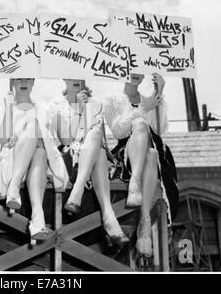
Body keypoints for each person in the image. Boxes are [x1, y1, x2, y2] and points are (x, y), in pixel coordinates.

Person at [103, 73, 179, 258]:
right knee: (139, 124)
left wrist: (159, 94)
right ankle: (143, 226)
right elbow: (119, 131)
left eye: (139, 68)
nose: (136, 73)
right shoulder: (112, 99)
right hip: (127, 152)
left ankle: (144, 221)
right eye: (131, 67)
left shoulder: (150, 99)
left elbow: (160, 130)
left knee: (152, 153)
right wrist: (142, 109)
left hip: (153, 153)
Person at [49, 79, 129, 246]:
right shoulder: (56, 105)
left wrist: (86, 107)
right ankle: (109, 217)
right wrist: (79, 109)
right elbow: (66, 139)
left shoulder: (96, 103)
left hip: (93, 159)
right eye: (71, 76)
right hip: (69, 158)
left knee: (97, 142)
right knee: (96, 145)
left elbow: (100, 138)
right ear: (64, 79)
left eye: (79, 75)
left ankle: (80, 194)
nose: (76, 79)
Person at [0, 78, 68, 240]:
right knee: (36, 136)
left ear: (33, 82)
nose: (23, 83)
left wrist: (23, 135)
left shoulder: (44, 109)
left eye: (27, 79)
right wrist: (10, 109)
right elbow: (1, 141)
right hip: (12, 161)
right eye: (19, 79)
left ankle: (18, 191)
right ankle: (37, 218)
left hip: (39, 165)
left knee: (38, 145)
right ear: (12, 82)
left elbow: (50, 141)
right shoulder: (4, 105)